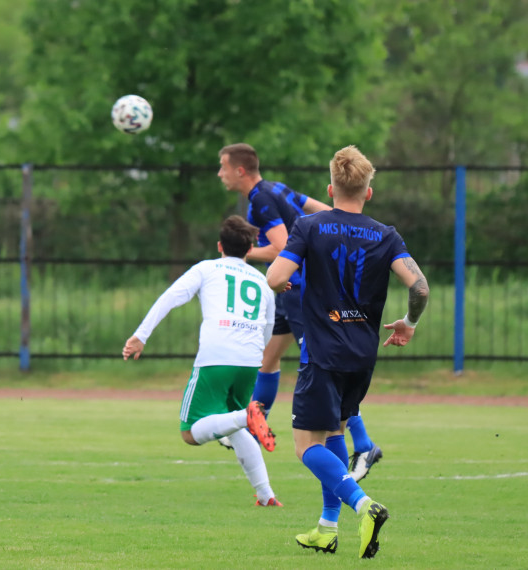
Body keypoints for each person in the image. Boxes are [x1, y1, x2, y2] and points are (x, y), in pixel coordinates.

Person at [265, 146, 429, 558]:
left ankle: (365, 506)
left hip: (322, 353)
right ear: (368, 193)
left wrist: (284, 279)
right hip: (361, 355)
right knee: (336, 430)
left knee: (306, 446)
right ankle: (326, 527)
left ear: (330, 188)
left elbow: (275, 277)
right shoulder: (386, 234)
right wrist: (408, 323)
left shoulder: (309, 226)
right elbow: (420, 287)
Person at [218, 143, 382, 479]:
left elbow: (280, 247)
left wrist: (241, 255)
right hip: (289, 291)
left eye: (222, 167)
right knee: (268, 358)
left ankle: (363, 444)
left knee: (328, 367)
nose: (219, 173)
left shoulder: (261, 199)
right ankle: (252, 420)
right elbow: (327, 208)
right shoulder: (276, 188)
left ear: (240, 170)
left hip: (299, 290)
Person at [123, 216, 282, 507]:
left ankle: (246, 416)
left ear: (220, 245)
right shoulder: (262, 279)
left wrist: (140, 335)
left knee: (189, 433)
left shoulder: (207, 268)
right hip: (249, 361)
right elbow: (269, 326)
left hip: (216, 358)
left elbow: (169, 298)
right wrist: (254, 355)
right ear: (250, 250)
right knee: (235, 430)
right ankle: (266, 495)